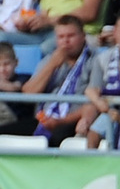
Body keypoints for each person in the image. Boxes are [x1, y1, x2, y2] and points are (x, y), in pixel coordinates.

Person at [24, 16, 93, 145]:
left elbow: (93, 103)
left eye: (71, 36)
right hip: (42, 119)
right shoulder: (50, 59)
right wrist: (52, 65)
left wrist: (60, 122)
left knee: (54, 139)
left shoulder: (95, 61)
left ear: (83, 36)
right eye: (61, 37)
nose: (65, 41)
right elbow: (28, 93)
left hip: (72, 121)